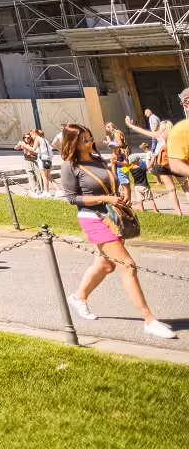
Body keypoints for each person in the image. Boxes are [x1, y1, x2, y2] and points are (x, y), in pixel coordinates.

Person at [56, 123, 175, 339]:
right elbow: (72, 198)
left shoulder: (98, 158)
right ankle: (149, 320)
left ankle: (79, 297)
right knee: (127, 266)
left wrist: (119, 195)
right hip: (92, 219)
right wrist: (105, 198)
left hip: (112, 216)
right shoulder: (69, 165)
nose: (89, 141)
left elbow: (111, 183)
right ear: (73, 142)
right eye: (84, 139)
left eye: (89, 137)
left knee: (105, 265)